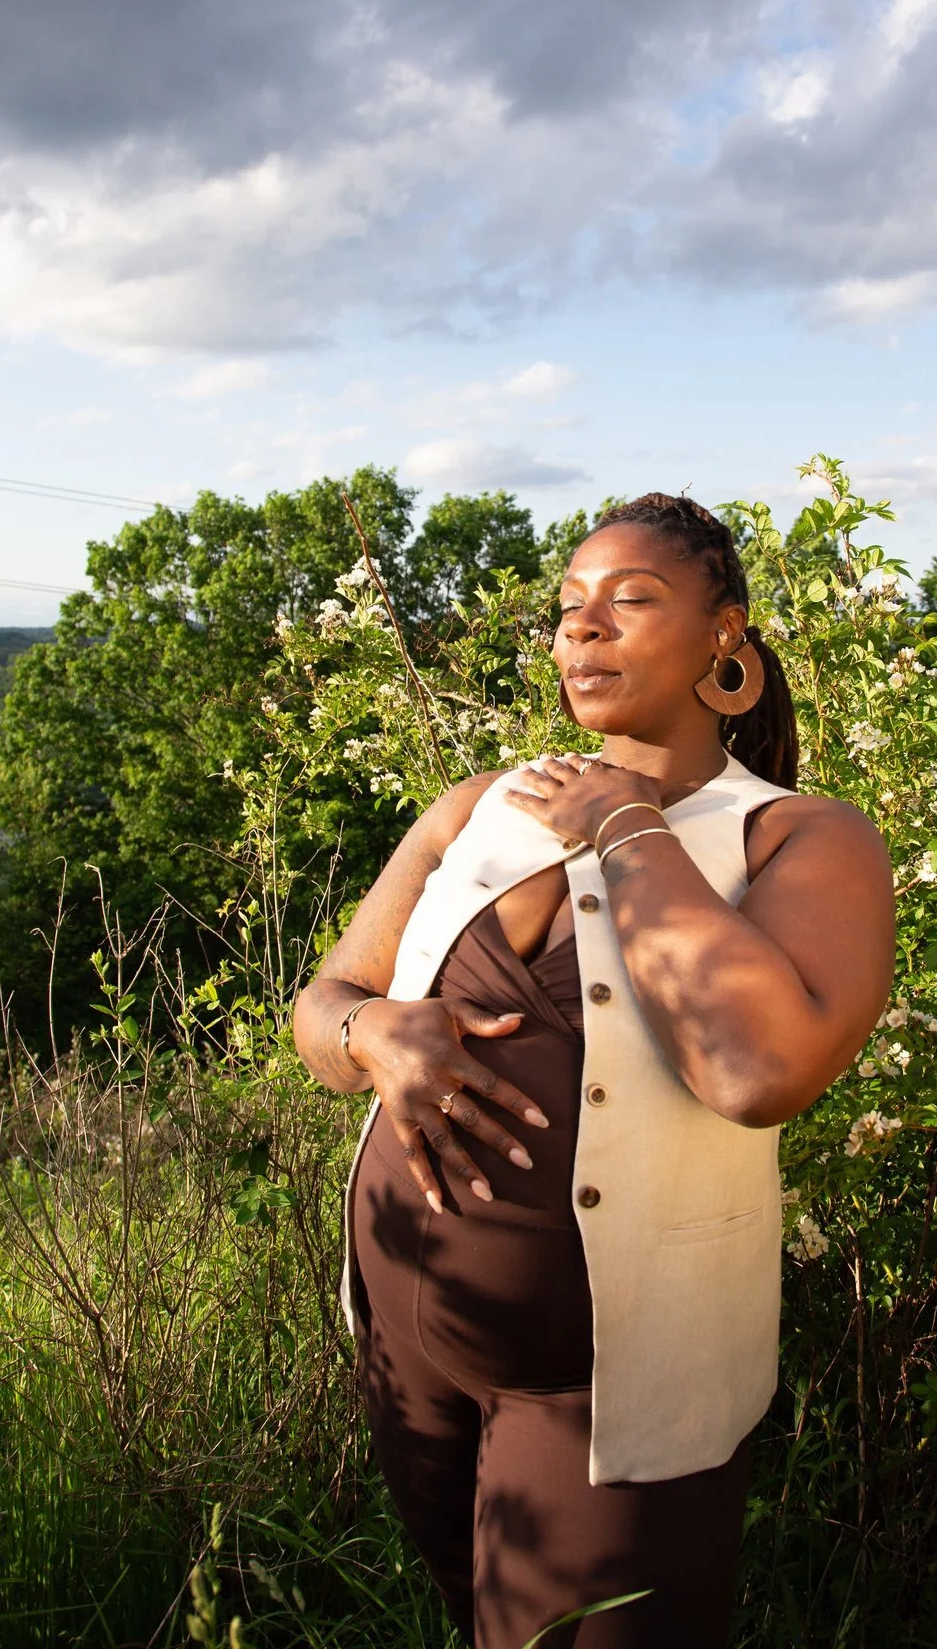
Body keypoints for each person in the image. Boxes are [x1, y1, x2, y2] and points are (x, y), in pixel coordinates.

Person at [293, 494, 894, 1648]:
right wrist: (373, 1036)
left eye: (629, 600)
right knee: (482, 1620)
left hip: (615, 1386)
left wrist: (625, 823)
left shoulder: (799, 836)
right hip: (406, 1342)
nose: (583, 631)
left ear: (728, 635)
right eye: (569, 609)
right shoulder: (476, 806)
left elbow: (757, 1069)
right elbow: (321, 1006)